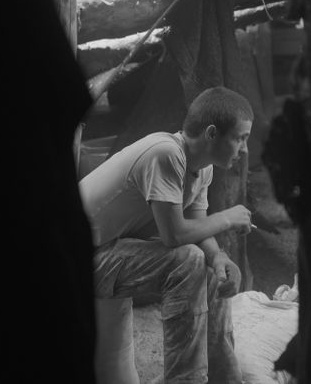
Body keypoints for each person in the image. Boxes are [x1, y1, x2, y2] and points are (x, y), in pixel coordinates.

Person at [78, 86, 254, 383]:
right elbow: (175, 235)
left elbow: (195, 223)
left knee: (210, 265)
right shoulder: (166, 154)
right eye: (240, 138)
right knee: (187, 259)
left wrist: (219, 257)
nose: (245, 149)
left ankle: (225, 378)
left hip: (112, 251)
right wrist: (227, 217)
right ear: (212, 133)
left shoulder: (202, 167)